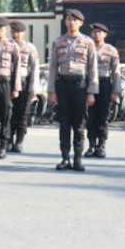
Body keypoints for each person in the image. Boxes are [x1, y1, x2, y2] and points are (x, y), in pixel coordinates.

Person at [48, 9, 98, 171]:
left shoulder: (88, 42)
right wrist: (52, 91)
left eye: (75, 20)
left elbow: (93, 68)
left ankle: (77, 159)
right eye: (69, 20)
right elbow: (53, 68)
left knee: (78, 124)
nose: (71, 22)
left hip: (80, 85)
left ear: (81, 23)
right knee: (64, 124)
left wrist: (91, 92)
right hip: (63, 85)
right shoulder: (58, 42)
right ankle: (64, 158)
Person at [85, 23, 122, 158]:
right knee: (90, 117)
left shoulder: (111, 50)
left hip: (104, 83)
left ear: (105, 34)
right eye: (94, 32)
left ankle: (101, 145)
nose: (96, 34)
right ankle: (91, 145)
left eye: (99, 32)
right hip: (88, 84)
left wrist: (115, 91)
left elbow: (116, 71)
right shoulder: (86, 48)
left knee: (102, 116)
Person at [0, 18, 19, 159]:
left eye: (0, 28)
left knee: (6, 115)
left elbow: (17, 69)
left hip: (5, 83)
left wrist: (15, 88)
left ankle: (3, 146)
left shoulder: (12, 46)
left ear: (5, 29)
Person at [8, 20, 39, 153]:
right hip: (9, 83)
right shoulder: (7, 46)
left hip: (24, 83)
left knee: (22, 114)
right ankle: (8, 140)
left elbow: (34, 68)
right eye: (14, 32)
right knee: (8, 113)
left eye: (19, 32)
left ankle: (19, 141)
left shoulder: (30, 48)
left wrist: (33, 88)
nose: (16, 34)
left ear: (24, 33)